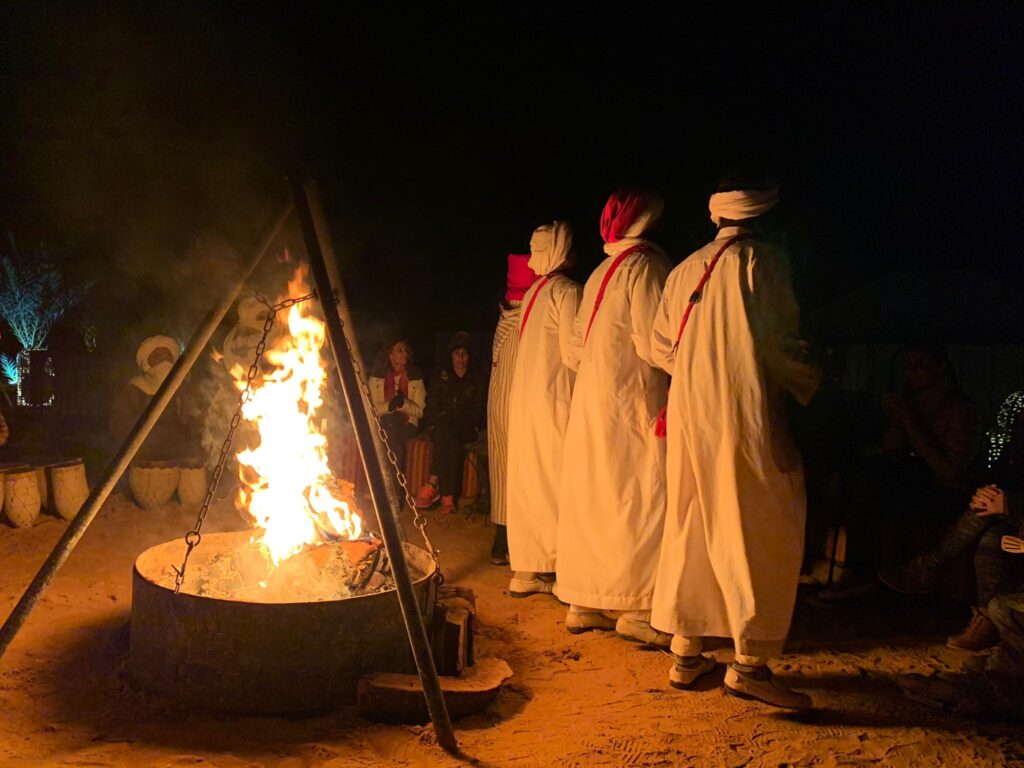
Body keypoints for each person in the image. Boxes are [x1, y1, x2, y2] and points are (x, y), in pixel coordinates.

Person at [649, 176, 820, 709]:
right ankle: (750, 665)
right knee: (758, 526)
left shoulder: (683, 269)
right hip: (744, 417)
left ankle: (686, 651)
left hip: (690, 415)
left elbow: (661, 346)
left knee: (692, 524)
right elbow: (779, 342)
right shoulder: (763, 262)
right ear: (763, 215)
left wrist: (699, 370)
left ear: (717, 217)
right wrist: (812, 381)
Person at [556, 188, 671, 645]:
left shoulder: (602, 270)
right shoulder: (646, 267)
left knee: (596, 497)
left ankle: (584, 601)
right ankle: (639, 607)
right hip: (632, 401)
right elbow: (653, 341)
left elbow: (577, 349)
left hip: (592, 402)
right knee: (639, 496)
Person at [880, 393, 1024, 651]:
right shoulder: (1016, 440)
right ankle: (986, 620)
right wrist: (991, 494)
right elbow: (1006, 475)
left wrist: (1008, 504)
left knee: (990, 535)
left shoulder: (960, 409)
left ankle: (930, 567)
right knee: (990, 536)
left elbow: (953, 469)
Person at [834, 342, 976, 595]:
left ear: (940, 368)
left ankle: (860, 570)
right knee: (865, 472)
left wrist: (909, 421)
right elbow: (892, 448)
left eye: (921, 365)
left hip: (946, 493)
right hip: (913, 482)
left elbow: (950, 472)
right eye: (908, 367)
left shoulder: (958, 408)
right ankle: (857, 568)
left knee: (872, 483)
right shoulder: (910, 401)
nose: (912, 373)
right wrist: (896, 419)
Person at [506, 222, 582, 596]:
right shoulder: (566, 291)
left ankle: (524, 571)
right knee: (554, 481)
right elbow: (573, 351)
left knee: (529, 482)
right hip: (554, 399)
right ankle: (556, 569)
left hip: (526, 399)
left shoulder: (535, 291)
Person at [486, 253, 538, 566]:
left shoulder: (506, 315)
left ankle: (501, 541)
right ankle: (511, 544)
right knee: (519, 470)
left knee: (503, 469)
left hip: (499, 403)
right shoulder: (525, 320)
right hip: (516, 403)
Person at [414, 332, 486, 514]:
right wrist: (435, 421)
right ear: (451, 355)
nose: (461, 358)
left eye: (464, 353)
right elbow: (431, 404)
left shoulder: (476, 378)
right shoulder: (441, 375)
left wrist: (461, 419)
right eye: (457, 353)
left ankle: (432, 484)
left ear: (469, 356)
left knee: (448, 433)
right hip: (443, 426)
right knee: (449, 438)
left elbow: (478, 410)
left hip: (468, 428)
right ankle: (448, 497)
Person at [110, 335, 197, 462]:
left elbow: (195, 424)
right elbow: (120, 426)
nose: (164, 361)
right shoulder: (134, 390)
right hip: (145, 461)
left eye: (168, 357)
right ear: (146, 364)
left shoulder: (183, 389)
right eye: (158, 357)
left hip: (179, 458)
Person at [369, 339, 427, 474]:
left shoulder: (414, 377)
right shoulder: (377, 378)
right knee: (389, 426)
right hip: (383, 421)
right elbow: (371, 410)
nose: (404, 353)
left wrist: (403, 404)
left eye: (406, 350)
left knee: (392, 432)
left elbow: (420, 411)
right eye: (399, 350)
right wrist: (389, 406)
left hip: (408, 423)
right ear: (390, 355)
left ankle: (394, 484)